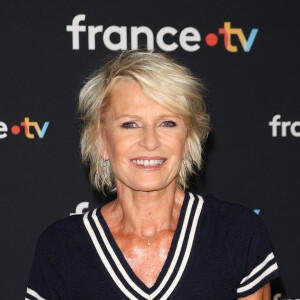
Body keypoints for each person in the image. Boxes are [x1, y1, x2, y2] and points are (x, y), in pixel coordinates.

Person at [26, 51, 279, 300]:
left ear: (188, 139)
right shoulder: (62, 248)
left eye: (167, 123)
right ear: (101, 141)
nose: (150, 142)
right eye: (130, 124)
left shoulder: (236, 234)